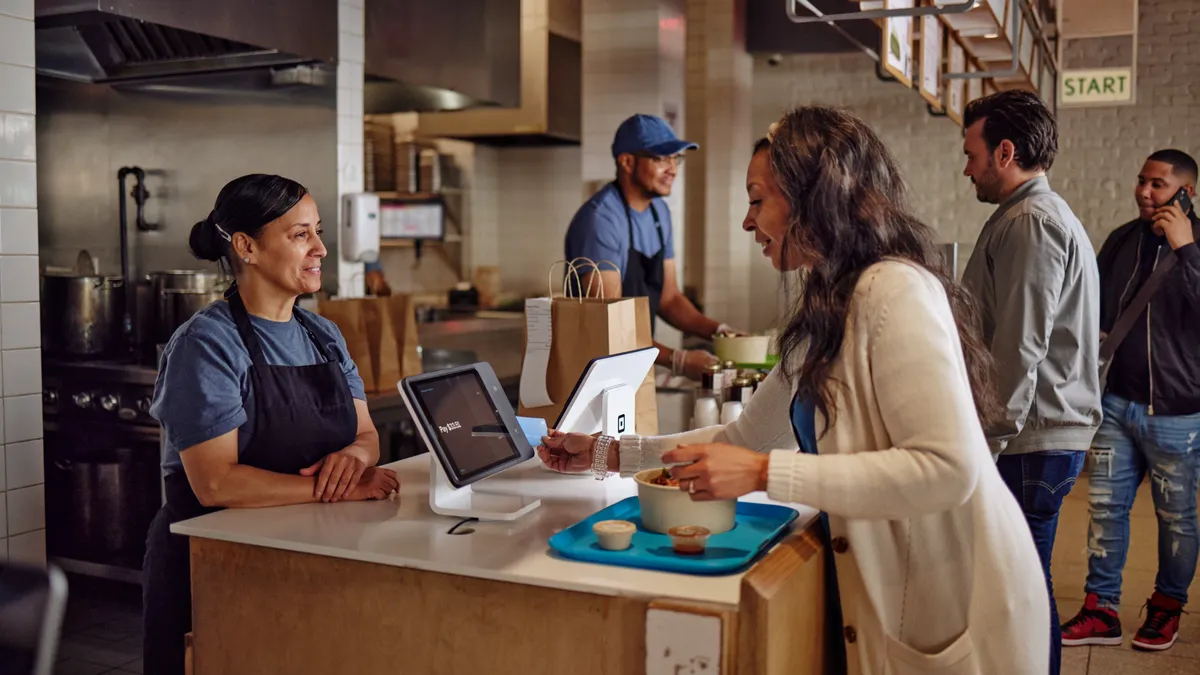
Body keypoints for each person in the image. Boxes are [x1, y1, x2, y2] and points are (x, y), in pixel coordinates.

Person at [541, 107, 1050, 675]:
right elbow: (742, 437)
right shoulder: (828, 306)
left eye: (758, 200)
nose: (746, 221)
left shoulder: (892, 291)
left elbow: (947, 469)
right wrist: (609, 453)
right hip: (900, 594)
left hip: (955, 602)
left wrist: (763, 475)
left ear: (813, 196)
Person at [143, 174, 400, 675]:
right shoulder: (207, 344)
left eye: (318, 232)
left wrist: (353, 460)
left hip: (308, 554)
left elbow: (365, 434)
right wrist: (337, 491)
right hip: (213, 562)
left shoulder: (322, 334)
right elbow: (215, 482)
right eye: (301, 235)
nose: (321, 249)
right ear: (246, 247)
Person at [959, 89, 1102, 675]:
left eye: (970, 153)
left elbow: (1020, 345)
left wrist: (985, 443)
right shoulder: (1032, 216)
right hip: (1035, 438)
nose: (965, 166)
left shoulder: (1029, 223)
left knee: (1021, 593)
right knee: (1021, 586)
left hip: (1027, 443)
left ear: (1006, 152)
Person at [1060, 149, 1200, 652]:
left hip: (1177, 413)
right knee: (1104, 509)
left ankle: (1166, 608)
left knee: (1177, 518)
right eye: (1141, 181)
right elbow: (1091, 302)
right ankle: (1101, 610)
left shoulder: (1196, 245)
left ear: (1187, 191)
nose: (1144, 191)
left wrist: (1185, 250)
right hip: (1115, 405)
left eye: (1158, 185)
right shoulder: (1123, 240)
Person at [564, 114, 740, 381]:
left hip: (634, 362)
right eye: (660, 159)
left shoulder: (659, 212)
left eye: (675, 158)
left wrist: (723, 333)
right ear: (626, 162)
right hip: (591, 375)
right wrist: (677, 360)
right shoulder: (601, 221)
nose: (672, 169)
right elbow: (609, 325)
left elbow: (669, 298)